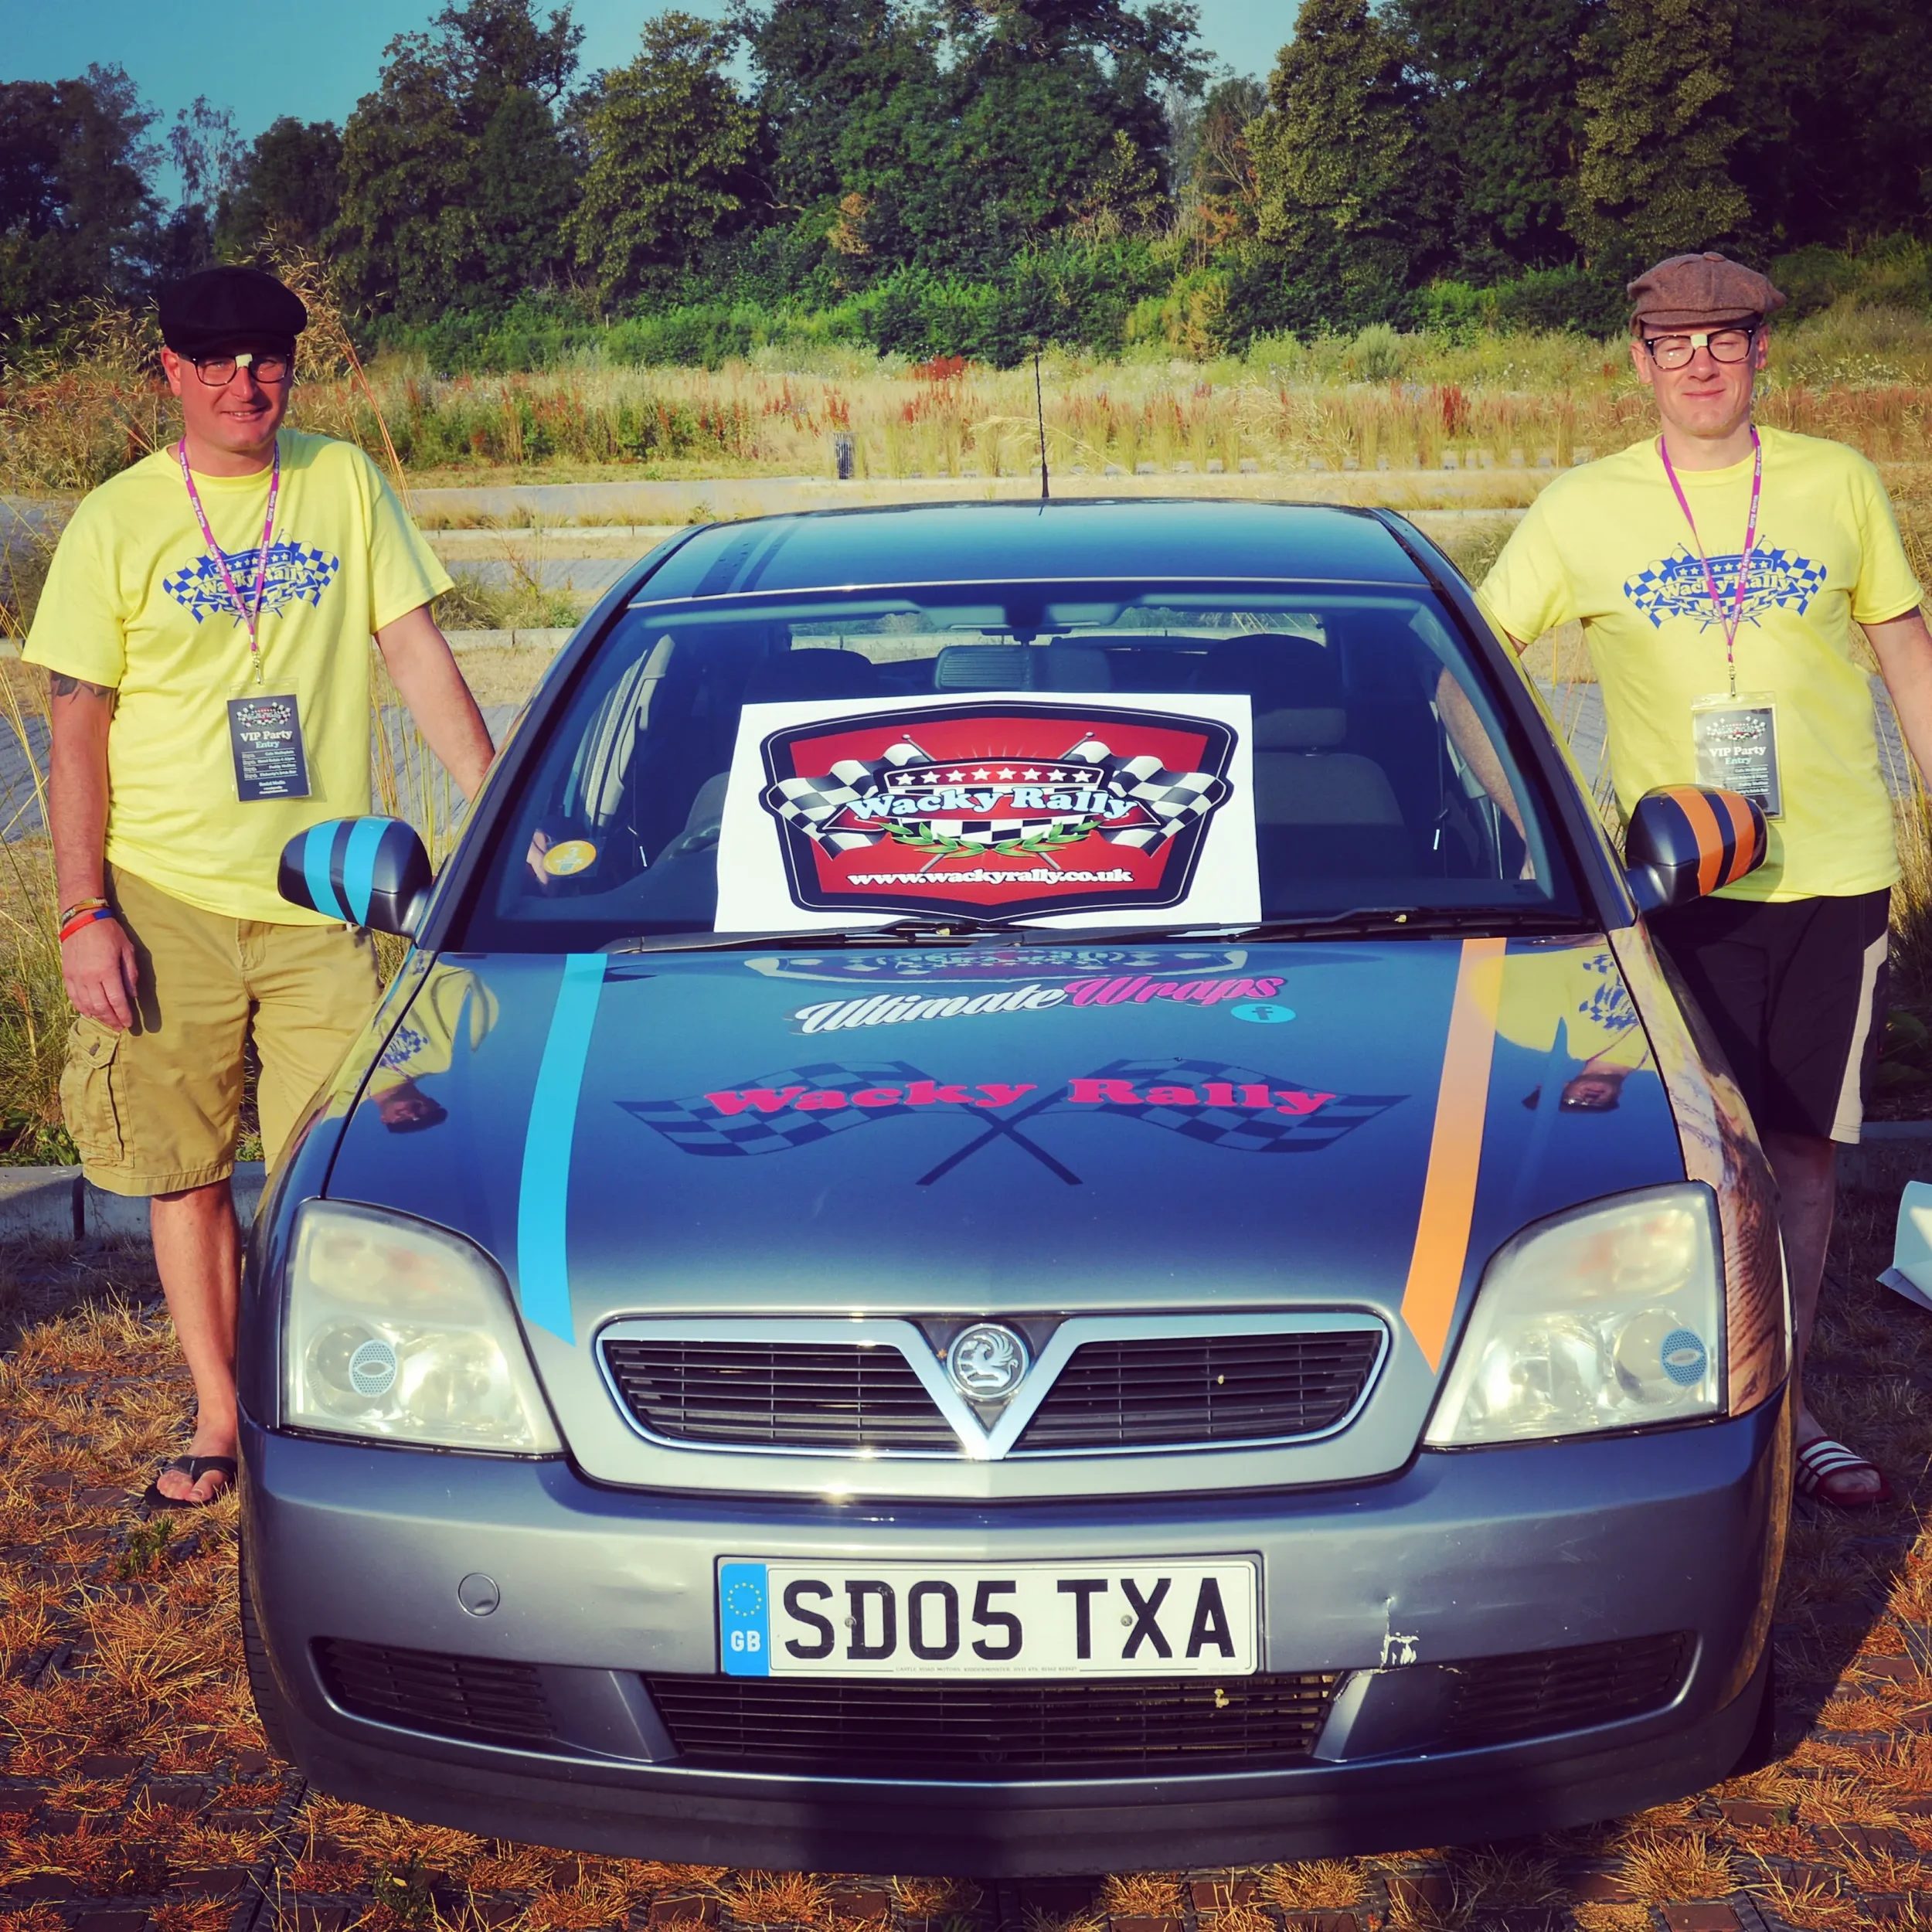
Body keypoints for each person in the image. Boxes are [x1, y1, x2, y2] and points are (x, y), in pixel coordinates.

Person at [25, 266, 497, 1509]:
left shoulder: (343, 484)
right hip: (165, 891)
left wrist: (503, 813)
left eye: (269, 358)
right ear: (170, 372)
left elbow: (413, 651)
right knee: (185, 1170)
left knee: (339, 1167)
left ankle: (340, 1404)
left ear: (294, 365)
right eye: (217, 359)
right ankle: (222, 1417)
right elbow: (77, 724)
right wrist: (86, 910)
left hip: (326, 895)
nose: (246, 381)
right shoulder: (117, 522)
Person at [1474, 250, 1932, 1507]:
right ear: (1637, 358)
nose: (1700, 363)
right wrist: (1521, 825)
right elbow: (1479, 662)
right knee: (1677, 1159)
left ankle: (1791, 1412)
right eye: (1672, 343)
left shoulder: (1836, 483)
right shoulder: (1582, 508)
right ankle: (1670, 1410)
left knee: (1803, 1154)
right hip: (1674, 891)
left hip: (1833, 874)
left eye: (1724, 339)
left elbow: (1903, 651)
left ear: (1761, 350)